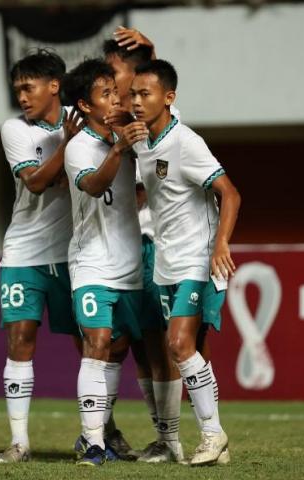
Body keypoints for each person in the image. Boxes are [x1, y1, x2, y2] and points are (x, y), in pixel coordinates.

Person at [130, 59, 241, 466]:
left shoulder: (187, 142)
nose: (137, 101)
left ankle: (212, 435)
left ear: (169, 98)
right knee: (192, 349)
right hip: (167, 260)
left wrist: (220, 245)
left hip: (199, 258)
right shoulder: (142, 143)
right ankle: (214, 440)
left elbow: (230, 193)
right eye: (134, 94)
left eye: (146, 94)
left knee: (177, 343)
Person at [0, 50, 83, 464]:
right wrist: (68, 144)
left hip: (74, 256)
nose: (22, 97)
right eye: (17, 90)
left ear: (53, 85)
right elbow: (35, 183)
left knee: (93, 344)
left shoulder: (84, 117)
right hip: (23, 253)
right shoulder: (15, 130)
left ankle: (98, 436)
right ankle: (19, 442)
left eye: (28, 87)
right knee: (20, 341)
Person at [61, 58, 149, 467]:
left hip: (130, 261)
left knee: (118, 349)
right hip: (91, 262)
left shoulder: (130, 133)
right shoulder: (78, 146)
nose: (115, 98)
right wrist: (119, 147)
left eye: (115, 91)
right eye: (105, 94)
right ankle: (94, 443)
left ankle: (99, 435)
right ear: (86, 105)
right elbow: (94, 187)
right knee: (96, 344)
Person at [103, 28, 185, 464]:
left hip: (155, 245)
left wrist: (152, 53)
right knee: (140, 349)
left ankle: (173, 440)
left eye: (114, 72)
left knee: (162, 347)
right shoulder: (116, 124)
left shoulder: (154, 124)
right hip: (124, 252)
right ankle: (162, 438)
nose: (110, 81)